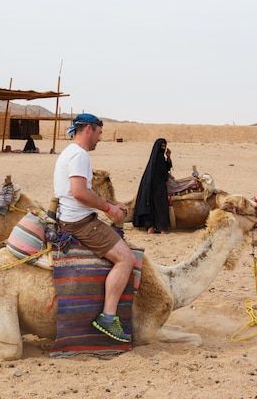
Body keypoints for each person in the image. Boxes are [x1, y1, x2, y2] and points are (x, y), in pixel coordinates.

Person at [53, 113, 136, 343]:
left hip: (72, 216)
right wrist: (109, 209)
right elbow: (79, 192)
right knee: (125, 259)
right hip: (79, 222)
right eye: (99, 133)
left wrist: (110, 206)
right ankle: (108, 317)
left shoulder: (69, 152)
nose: (100, 138)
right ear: (89, 129)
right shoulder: (79, 155)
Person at [132, 138, 172, 234]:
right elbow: (165, 174)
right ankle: (161, 228)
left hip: (150, 187)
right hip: (159, 187)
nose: (163, 148)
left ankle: (151, 227)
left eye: (164, 146)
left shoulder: (152, 161)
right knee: (161, 206)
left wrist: (168, 157)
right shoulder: (160, 159)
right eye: (162, 146)